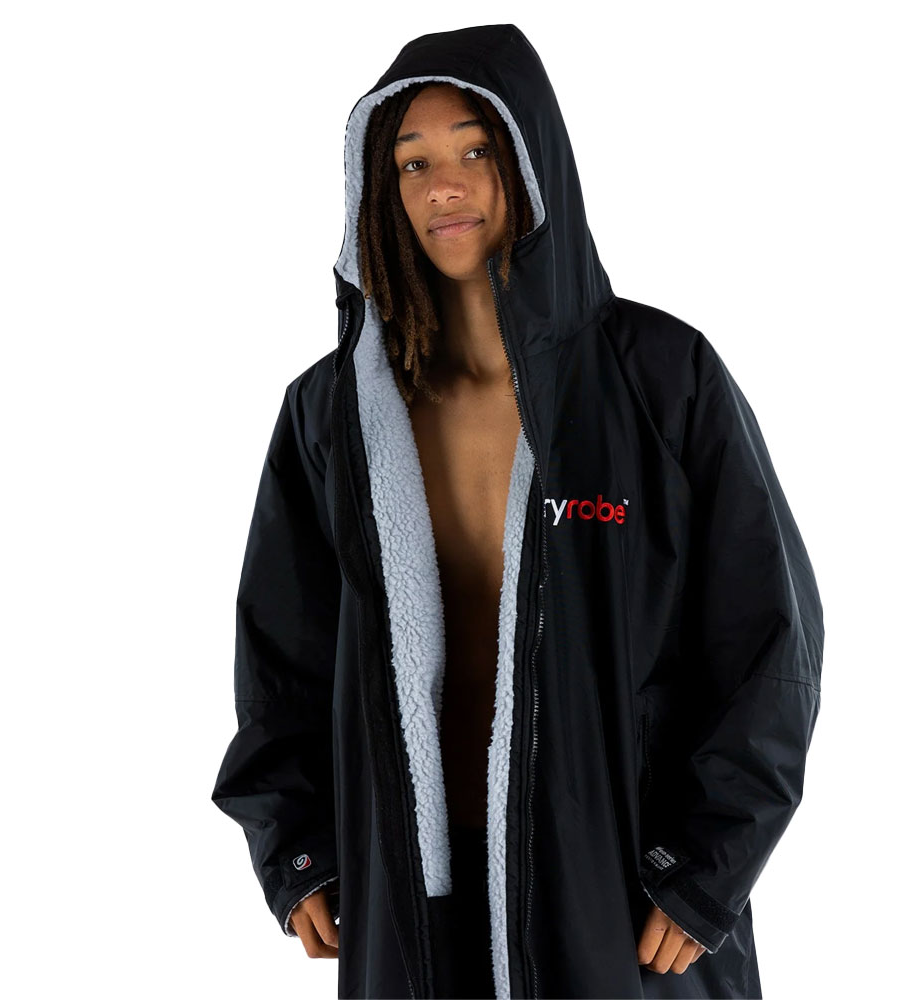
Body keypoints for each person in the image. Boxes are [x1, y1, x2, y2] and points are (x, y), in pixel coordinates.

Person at [212, 23, 824, 1000]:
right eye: (413, 162)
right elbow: (282, 654)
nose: (443, 187)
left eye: (474, 151)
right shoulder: (331, 412)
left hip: (621, 889)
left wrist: (704, 870)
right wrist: (298, 848)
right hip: (411, 896)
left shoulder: (660, 381)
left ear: (533, 164)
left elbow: (766, 641)